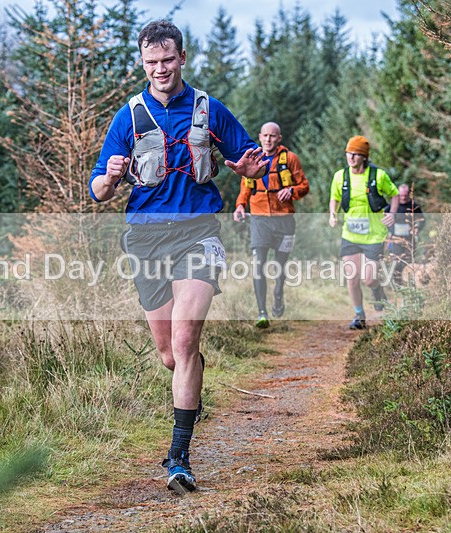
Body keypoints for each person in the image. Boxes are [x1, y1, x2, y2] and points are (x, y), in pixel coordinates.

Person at [90, 20, 268, 495]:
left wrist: (253, 168)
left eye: (168, 60)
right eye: (151, 63)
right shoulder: (128, 116)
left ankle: (179, 457)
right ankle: (191, 377)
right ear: (142, 63)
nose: (160, 70)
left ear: (182, 58)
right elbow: (99, 190)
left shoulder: (208, 108)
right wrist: (109, 177)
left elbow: (252, 156)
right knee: (170, 355)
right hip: (145, 240)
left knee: (185, 341)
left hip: (198, 233)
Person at [233, 122, 309, 328]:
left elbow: (304, 186)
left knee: (280, 266)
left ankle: (278, 293)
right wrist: (240, 206)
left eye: (272, 136)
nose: (268, 139)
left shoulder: (290, 159)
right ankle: (262, 312)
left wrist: (292, 191)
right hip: (259, 219)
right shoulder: (252, 158)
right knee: (258, 265)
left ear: (279, 138)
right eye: (265, 135)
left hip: (285, 219)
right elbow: (245, 188)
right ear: (259, 137)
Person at [328, 135, 399, 330]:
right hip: (350, 235)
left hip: (374, 235)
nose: (351, 157)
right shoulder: (340, 177)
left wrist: (391, 215)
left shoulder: (378, 176)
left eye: (356, 154)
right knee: (352, 277)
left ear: (364, 157)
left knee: (369, 278)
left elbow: (394, 195)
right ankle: (359, 315)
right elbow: (334, 197)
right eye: (349, 153)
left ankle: (377, 292)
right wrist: (333, 214)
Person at [385, 184, 425, 286]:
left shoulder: (414, 206)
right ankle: (396, 284)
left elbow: (422, 220)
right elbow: (383, 221)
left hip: (409, 239)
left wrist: (416, 228)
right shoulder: (392, 207)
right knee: (396, 261)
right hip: (395, 239)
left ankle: (409, 284)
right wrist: (389, 233)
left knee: (408, 261)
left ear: (409, 195)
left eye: (405, 195)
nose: (403, 198)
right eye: (401, 195)